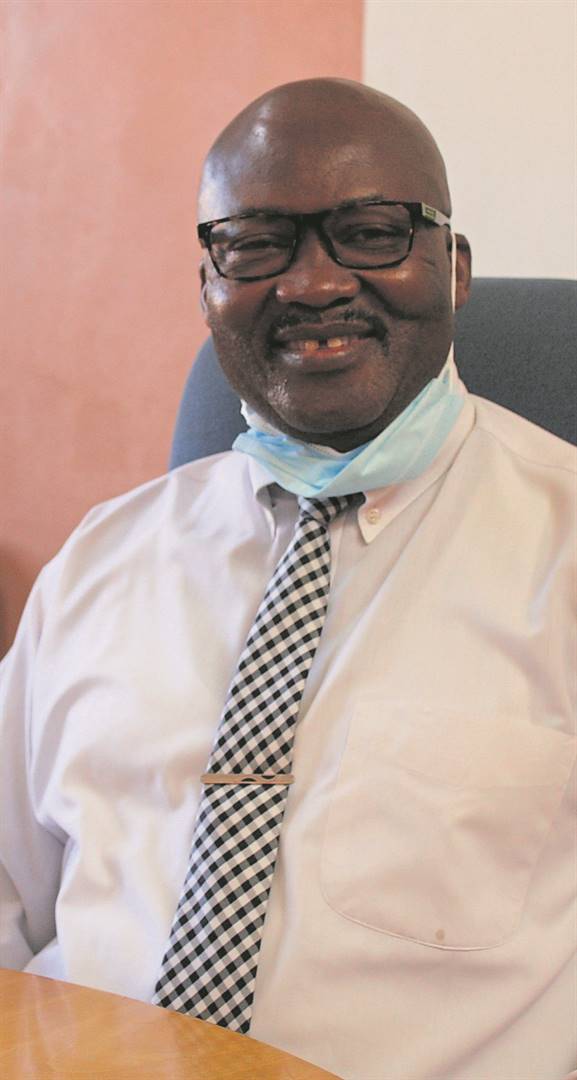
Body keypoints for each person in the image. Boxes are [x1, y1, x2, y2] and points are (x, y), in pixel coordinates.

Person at [1, 79, 575, 1080]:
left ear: (454, 269)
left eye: (369, 233)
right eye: (256, 244)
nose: (311, 285)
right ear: (207, 286)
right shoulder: (103, 557)